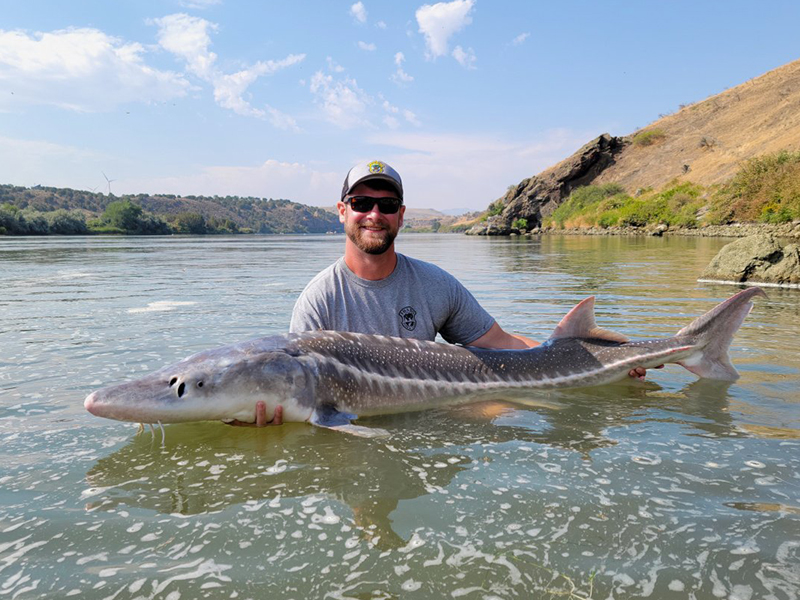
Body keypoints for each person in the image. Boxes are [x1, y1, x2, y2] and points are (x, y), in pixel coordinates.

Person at [235, 159, 653, 427]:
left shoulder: (435, 283)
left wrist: (602, 359)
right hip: (361, 430)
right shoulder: (318, 300)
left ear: (402, 214)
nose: (374, 214)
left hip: (436, 418)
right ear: (343, 210)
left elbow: (503, 345)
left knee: (503, 409)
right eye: (363, 202)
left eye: (387, 204)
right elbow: (299, 395)